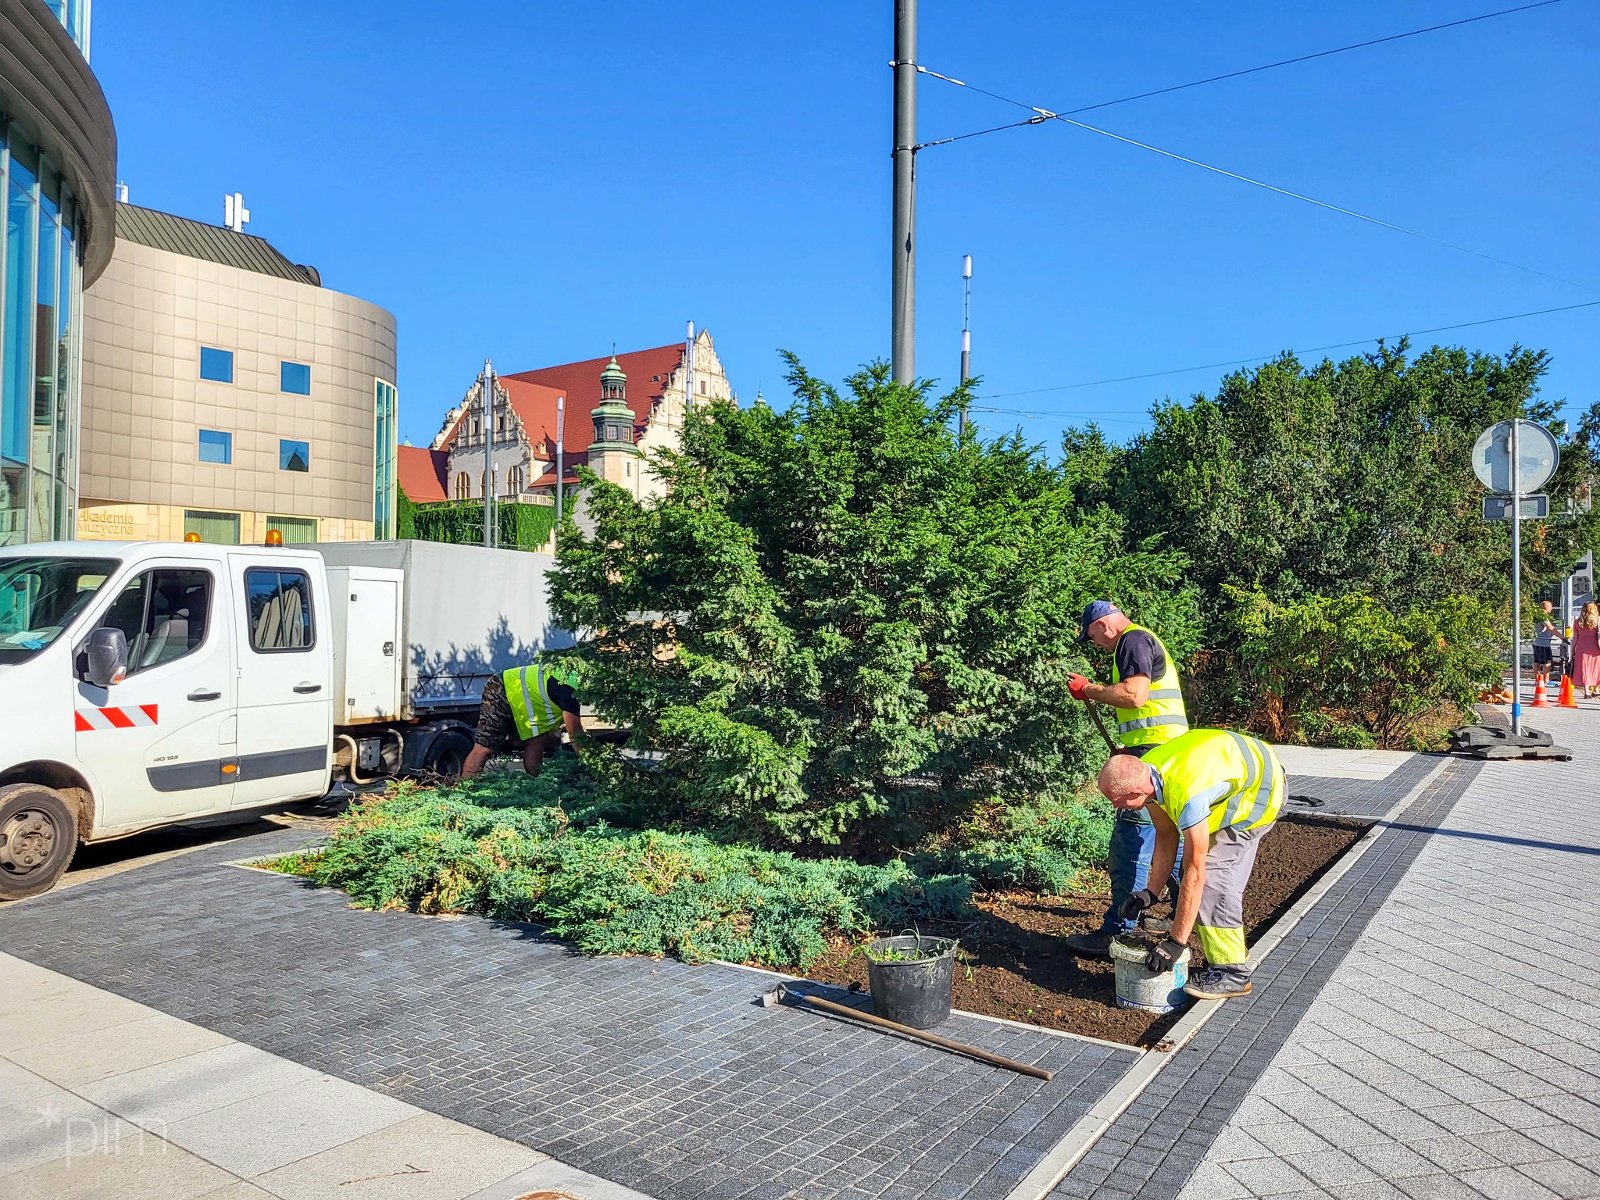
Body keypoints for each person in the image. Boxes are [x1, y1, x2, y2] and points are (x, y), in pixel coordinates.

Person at [1097, 728, 1285, 1000]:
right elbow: (1166, 834)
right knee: (1197, 873)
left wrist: (1175, 943)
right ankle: (1226, 951)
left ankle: (1232, 973)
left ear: (1136, 791)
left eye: (1118, 801)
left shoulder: (1188, 795)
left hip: (1259, 792)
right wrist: (1149, 893)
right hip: (1233, 770)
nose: (1117, 807)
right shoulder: (1148, 774)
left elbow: (1196, 874)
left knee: (1213, 882)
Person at [1063, 600, 1190, 958]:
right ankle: (1181, 915)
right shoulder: (1143, 639)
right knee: (1169, 835)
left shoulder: (1131, 642)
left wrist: (1089, 690)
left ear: (1102, 625)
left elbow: (1135, 695)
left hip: (1151, 754)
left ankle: (1119, 930)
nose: (1097, 644)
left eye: (1092, 637)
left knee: (1130, 839)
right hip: (1161, 752)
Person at [462, 660, 583, 778]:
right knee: (484, 747)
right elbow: (576, 735)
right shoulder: (569, 688)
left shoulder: (573, 674)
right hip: (502, 688)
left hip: (526, 699)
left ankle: (537, 786)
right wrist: (589, 765)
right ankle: (464, 790)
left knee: (536, 741)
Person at [1574, 601, 1600, 699]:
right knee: (1597, 668)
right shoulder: (1598, 620)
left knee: (1585, 669)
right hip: (1595, 648)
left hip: (1581, 647)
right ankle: (1596, 689)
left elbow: (1575, 637)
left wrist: (1572, 649)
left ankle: (1586, 692)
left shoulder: (1577, 622)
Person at [1533, 601, 1560, 688]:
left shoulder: (1536, 615)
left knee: (1536, 661)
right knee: (1547, 662)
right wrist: (1561, 636)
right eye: (1550, 607)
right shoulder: (1542, 616)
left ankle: (1537, 680)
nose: (1551, 608)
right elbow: (1550, 627)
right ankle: (1546, 681)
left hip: (1536, 641)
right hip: (1543, 643)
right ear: (1546, 607)